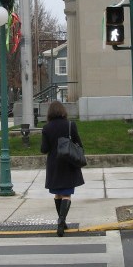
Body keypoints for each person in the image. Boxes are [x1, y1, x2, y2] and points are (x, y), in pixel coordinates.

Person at [40, 100, 85, 237]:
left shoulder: (46, 128)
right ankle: (62, 220)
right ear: (63, 111)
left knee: (58, 193)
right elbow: (79, 144)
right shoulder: (70, 125)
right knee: (67, 194)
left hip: (54, 164)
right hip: (68, 163)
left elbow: (44, 149)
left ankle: (61, 220)